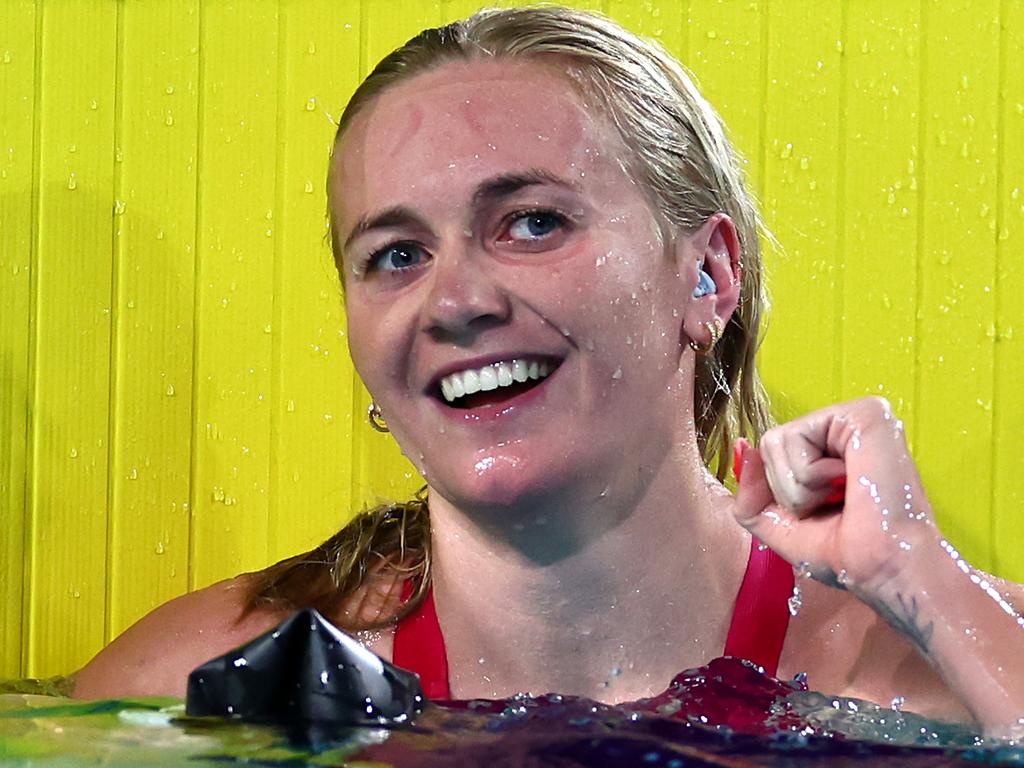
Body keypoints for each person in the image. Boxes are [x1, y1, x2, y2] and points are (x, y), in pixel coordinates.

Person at [71, 5, 1024, 737]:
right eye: (395, 254)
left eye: (533, 223)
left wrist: (920, 580)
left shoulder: (940, 663)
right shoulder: (209, 692)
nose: (454, 302)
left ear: (709, 274)